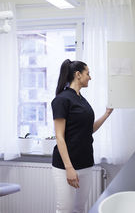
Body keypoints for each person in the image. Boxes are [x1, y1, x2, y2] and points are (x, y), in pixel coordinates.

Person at [51, 59, 113, 213]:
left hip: (85, 162)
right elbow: (59, 137)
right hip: (66, 166)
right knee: (65, 209)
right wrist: (69, 168)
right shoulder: (62, 100)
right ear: (78, 75)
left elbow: (87, 130)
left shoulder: (82, 100)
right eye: (88, 73)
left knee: (79, 208)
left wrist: (106, 114)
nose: (90, 77)